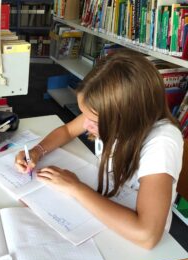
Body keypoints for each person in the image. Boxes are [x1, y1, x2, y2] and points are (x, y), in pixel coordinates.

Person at [15, 51, 183, 249]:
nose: (86, 124)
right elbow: (68, 130)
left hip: (130, 238)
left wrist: (75, 187)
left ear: (126, 117)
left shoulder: (162, 143)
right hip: (105, 205)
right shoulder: (115, 117)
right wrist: (37, 151)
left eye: (94, 121)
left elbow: (146, 236)